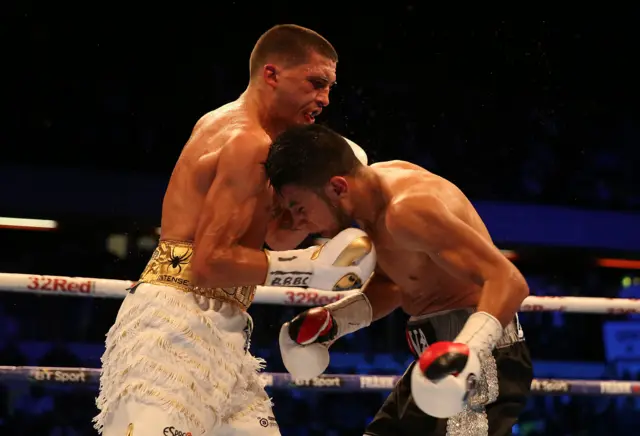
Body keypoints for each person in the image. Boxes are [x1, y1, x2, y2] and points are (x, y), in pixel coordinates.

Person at [93, 25, 376, 436]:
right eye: (315, 83)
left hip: (223, 325)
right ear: (272, 74)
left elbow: (273, 238)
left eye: (330, 87)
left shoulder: (251, 135)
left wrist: (310, 210)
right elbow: (209, 264)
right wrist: (308, 267)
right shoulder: (248, 142)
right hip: (177, 323)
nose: (324, 99)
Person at [264, 124, 534, 436]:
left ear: (337, 188)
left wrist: (467, 351)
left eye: (300, 208)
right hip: (435, 361)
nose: (299, 222)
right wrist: (334, 321)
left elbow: (508, 280)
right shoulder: (370, 203)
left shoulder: (407, 209)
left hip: (479, 360)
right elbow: (397, 283)